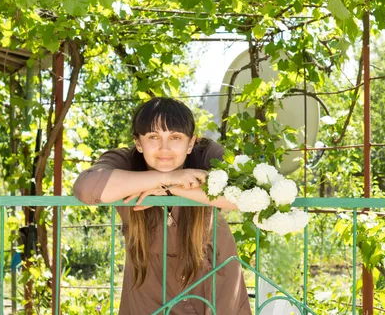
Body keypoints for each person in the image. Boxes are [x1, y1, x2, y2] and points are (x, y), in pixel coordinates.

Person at [74, 97, 252, 315]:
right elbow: (86, 188)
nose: (164, 148)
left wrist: (173, 186)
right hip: (148, 280)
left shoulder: (206, 153)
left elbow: (246, 195)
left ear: (190, 143)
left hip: (213, 272)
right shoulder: (124, 160)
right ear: (138, 143)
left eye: (175, 137)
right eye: (153, 137)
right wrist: (166, 178)